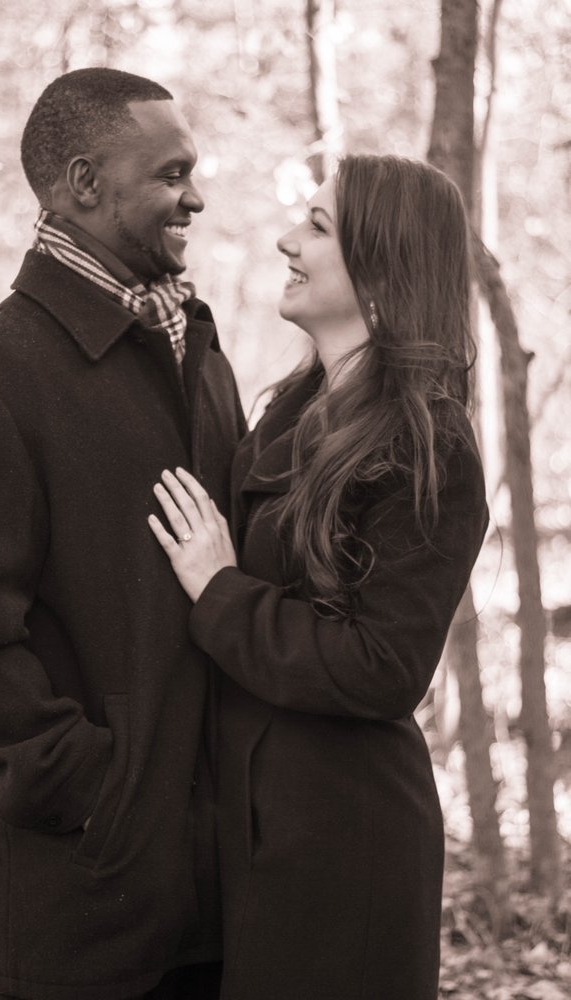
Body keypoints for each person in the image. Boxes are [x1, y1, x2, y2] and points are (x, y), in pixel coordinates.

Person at [0, 68, 245, 1000]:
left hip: (225, 904)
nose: (196, 197)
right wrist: (110, 798)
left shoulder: (200, 353)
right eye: (171, 174)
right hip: (85, 914)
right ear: (86, 183)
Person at [149, 154, 490, 1000]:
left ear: (383, 265)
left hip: (344, 842)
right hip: (250, 829)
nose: (285, 240)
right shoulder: (288, 412)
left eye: (317, 226)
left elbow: (383, 667)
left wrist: (220, 591)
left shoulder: (429, 445)